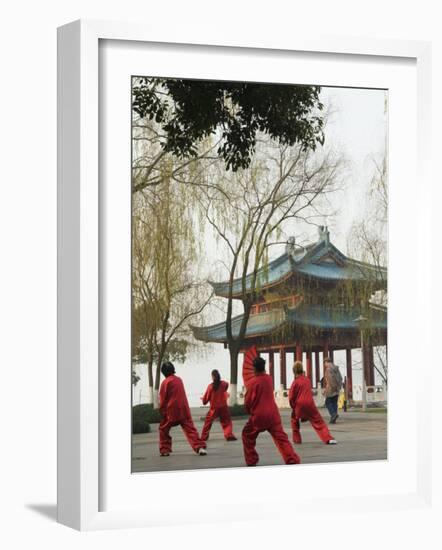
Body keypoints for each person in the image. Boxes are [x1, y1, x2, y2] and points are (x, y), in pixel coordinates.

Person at [242, 356, 301, 466]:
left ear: (254, 369)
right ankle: (292, 459)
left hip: (259, 416)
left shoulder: (252, 383)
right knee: (282, 439)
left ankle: (252, 459)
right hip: (273, 415)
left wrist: (249, 411)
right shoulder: (269, 379)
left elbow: (248, 402)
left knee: (247, 435)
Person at [158, 361, 207, 457]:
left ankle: (165, 450)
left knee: (163, 429)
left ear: (163, 372)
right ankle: (200, 448)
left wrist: (162, 412)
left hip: (171, 411)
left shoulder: (165, 383)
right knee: (190, 430)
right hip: (184, 410)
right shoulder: (179, 379)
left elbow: (163, 400)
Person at [289, 361, 337, 445]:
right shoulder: (307, 380)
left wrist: (293, 407)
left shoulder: (295, 382)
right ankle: (328, 438)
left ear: (294, 372)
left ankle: (297, 439)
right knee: (319, 422)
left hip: (299, 405)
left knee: (294, 419)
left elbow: (291, 397)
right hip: (310, 404)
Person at [200, 369, 237, 441]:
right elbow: (226, 386)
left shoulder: (210, 387)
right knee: (227, 421)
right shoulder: (223, 384)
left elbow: (205, 401)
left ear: (212, 377)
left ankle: (204, 437)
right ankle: (228, 434)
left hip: (214, 408)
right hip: (223, 407)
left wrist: (203, 399)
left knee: (208, 422)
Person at [323, 357, 343, 424]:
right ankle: (334, 417)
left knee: (327, 402)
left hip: (331, 388)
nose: (325, 365)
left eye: (324, 363)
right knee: (334, 402)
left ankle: (333, 414)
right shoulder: (336, 369)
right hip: (337, 388)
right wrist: (338, 387)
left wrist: (331, 387)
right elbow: (340, 378)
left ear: (326, 362)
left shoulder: (328, 369)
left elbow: (330, 379)